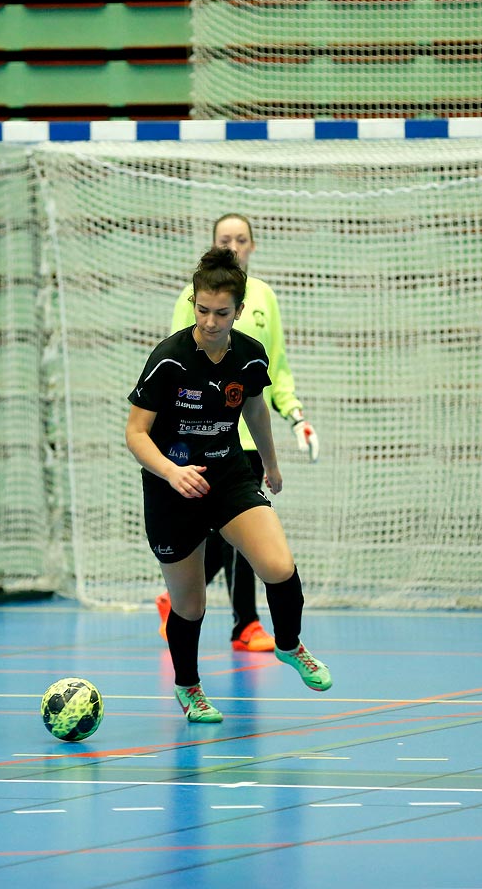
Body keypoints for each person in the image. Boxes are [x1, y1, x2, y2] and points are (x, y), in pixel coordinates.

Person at [126, 246, 331, 723]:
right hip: (171, 486)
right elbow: (135, 433)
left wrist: (272, 465)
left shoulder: (249, 356)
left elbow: (256, 408)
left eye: (222, 313)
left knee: (278, 564)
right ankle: (189, 687)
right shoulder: (170, 360)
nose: (211, 321)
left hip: (228, 472)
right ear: (193, 303)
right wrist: (171, 472)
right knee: (190, 603)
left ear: (239, 311)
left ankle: (289, 644)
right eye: (202, 310)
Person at [156, 213, 319, 653]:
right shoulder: (191, 303)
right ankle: (222, 615)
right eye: (224, 239)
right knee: (220, 537)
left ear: (252, 245)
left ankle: (243, 621)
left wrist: (295, 415)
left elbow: (274, 371)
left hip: (247, 438)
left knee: (247, 532)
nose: (233, 246)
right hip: (201, 439)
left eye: (240, 239)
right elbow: (181, 366)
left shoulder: (264, 297)